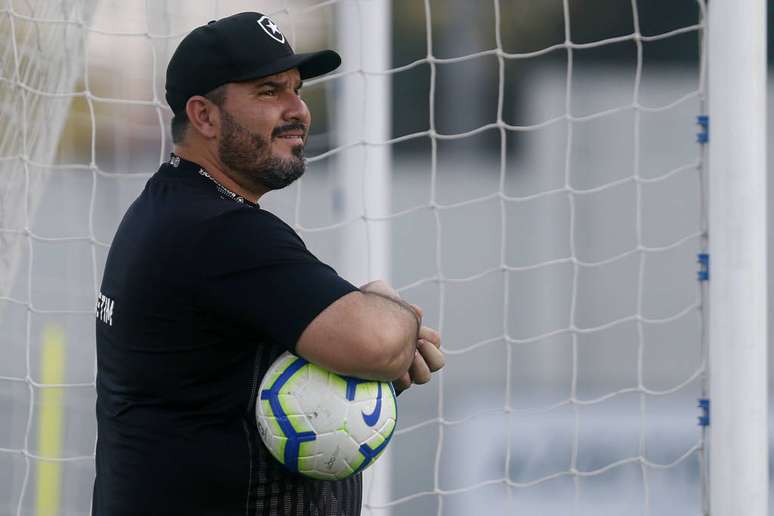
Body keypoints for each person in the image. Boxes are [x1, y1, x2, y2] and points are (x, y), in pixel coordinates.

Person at [91, 11, 443, 516]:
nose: (298, 109)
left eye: (297, 89)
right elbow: (377, 342)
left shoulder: (171, 209)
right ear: (205, 116)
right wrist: (391, 311)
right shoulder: (219, 231)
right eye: (269, 91)